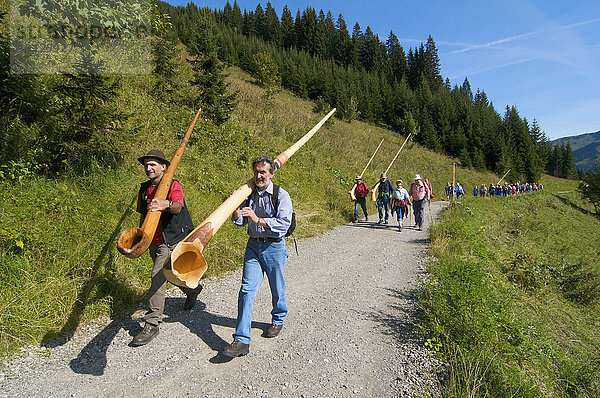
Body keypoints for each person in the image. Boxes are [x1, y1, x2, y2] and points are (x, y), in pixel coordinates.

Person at [223, 155, 293, 358]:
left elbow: (283, 224)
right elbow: (239, 223)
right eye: (256, 172)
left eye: (263, 172)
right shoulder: (249, 194)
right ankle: (241, 340)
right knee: (246, 290)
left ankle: (278, 319)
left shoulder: (281, 195)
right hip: (253, 246)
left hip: (274, 247)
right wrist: (235, 206)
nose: (259, 176)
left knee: (276, 286)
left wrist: (258, 219)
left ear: (271, 174)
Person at [132, 150, 202, 347]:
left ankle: (152, 323)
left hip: (170, 239)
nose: (148, 168)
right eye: (146, 165)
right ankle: (192, 290)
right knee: (171, 273)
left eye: (153, 164)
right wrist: (140, 238)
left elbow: (178, 207)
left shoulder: (173, 185)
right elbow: (142, 213)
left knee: (157, 277)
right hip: (151, 240)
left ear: (163, 167)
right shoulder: (144, 188)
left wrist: (166, 203)